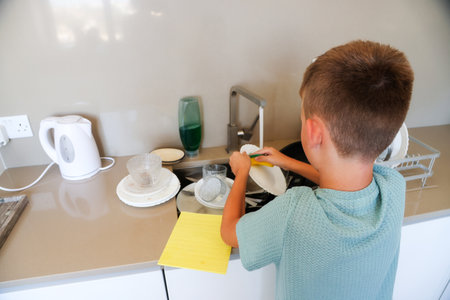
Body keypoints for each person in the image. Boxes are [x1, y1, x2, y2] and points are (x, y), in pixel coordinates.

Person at [220, 40, 414, 299]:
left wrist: (242, 172)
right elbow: (345, 186)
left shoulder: (294, 212)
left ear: (312, 133)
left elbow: (230, 233)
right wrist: (285, 162)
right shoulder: (394, 187)